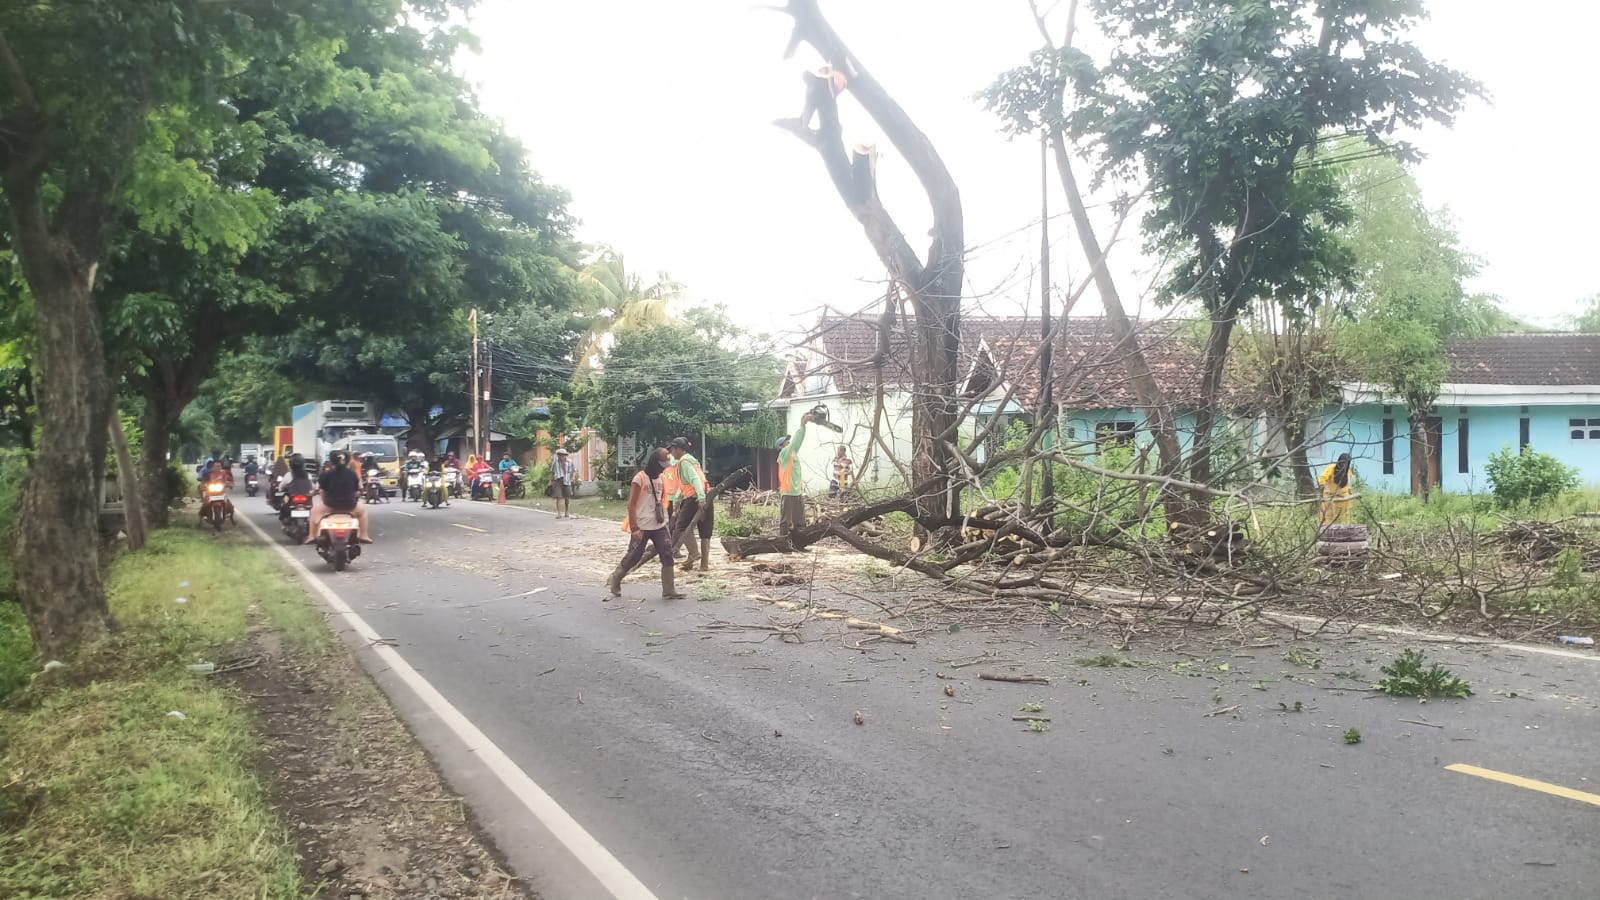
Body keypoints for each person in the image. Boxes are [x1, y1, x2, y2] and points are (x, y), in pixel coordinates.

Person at [606, 447, 684, 600]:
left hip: (658, 525)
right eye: (663, 463)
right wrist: (634, 527)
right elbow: (631, 505)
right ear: (655, 463)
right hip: (641, 525)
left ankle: (669, 589)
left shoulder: (661, 479)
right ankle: (617, 577)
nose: (664, 467)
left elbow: (662, 500)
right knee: (634, 555)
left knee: (667, 553)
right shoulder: (639, 478)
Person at [669, 436, 714, 571]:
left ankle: (694, 553)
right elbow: (683, 486)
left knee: (681, 526)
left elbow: (695, 480)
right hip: (707, 495)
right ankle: (704, 565)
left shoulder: (684, 462)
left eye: (672, 449)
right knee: (705, 530)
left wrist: (700, 498)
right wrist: (676, 502)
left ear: (678, 449)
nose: (671, 452)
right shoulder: (693, 461)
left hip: (694, 498)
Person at [308, 450, 371, 544]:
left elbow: (322, 490)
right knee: (362, 512)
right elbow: (357, 490)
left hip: (330, 506)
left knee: (314, 511)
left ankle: (312, 536)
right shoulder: (352, 474)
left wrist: (322, 500)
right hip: (350, 506)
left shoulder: (326, 474)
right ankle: (363, 535)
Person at [776, 412, 813, 536]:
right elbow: (794, 443)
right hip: (788, 492)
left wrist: (804, 427)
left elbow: (798, 441)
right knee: (785, 521)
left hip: (797, 491)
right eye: (786, 441)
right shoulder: (784, 454)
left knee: (800, 521)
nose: (789, 442)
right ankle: (782, 543)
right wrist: (802, 425)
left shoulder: (793, 454)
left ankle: (800, 543)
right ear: (781, 446)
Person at [1318, 453, 1355, 526]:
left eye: (1346, 463)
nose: (1344, 465)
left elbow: (1348, 485)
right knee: (1328, 518)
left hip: (1343, 499)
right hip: (1329, 499)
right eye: (1343, 462)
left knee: (1342, 520)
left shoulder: (1348, 472)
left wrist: (1350, 491)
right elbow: (1322, 479)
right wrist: (1325, 487)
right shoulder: (1331, 468)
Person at [549, 446, 578, 518]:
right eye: (559, 455)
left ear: (565, 455)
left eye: (562, 455)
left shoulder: (570, 462)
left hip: (567, 480)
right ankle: (559, 513)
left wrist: (572, 478)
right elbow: (552, 471)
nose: (561, 456)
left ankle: (566, 512)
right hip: (558, 480)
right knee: (558, 497)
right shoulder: (555, 462)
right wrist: (551, 481)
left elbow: (573, 470)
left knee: (567, 497)